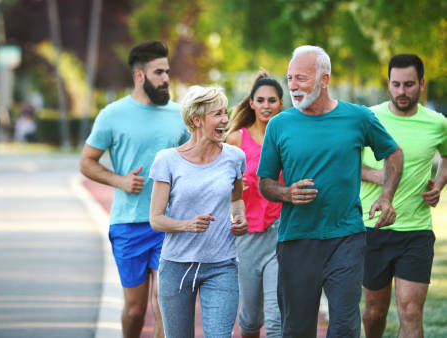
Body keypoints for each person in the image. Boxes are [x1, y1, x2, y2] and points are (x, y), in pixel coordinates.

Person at [256, 45, 404, 338]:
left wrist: (386, 196)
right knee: (296, 329)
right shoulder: (278, 125)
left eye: (301, 78)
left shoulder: (357, 117)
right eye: (289, 79)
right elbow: (266, 183)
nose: (293, 86)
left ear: (324, 79)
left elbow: (394, 153)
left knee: (345, 328)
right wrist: (286, 193)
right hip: (296, 239)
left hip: (346, 237)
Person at [79, 41, 189, 338]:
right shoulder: (112, 115)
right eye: (158, 72)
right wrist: (120, 180)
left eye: (167, 71)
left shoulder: (179, 115)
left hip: (168, 224)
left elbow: (196, 157)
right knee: (135, 310)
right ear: (139, 76)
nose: (166, 78)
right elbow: (87, 162)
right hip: (128, 224)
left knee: (164, 305)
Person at [149, 85, 248, 337]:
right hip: (176, 266)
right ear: (197, 120)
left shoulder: (234, 157)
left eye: (226, 113)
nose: (225, 120)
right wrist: (187, 225)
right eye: (217, 114)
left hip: (222, 265)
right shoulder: (167, 160)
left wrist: (240, 218)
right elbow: (156, 219)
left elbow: (237, 200)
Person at [360, 54, 447, 338]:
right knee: (374, 313)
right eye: (395, 84)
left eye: (409, 85)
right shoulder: (368, 118)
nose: (401, 91)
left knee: (410, 311)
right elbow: (345, 162)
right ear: (388, 83)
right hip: (372, 228)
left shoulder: (437, 123)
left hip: (416, 231)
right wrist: (377, 176)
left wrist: (439, 185)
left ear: (422, 83)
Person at [225, 71, 283, 338]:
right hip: (246, 237)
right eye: (260, 100)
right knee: (249, 319)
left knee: (275, 317)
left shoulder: (286, 137)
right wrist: (233, 188)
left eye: (272, 100)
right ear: (251, 103)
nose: (266, 106)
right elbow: (220, 182)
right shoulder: (236, 139)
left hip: (279, 233)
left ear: (281, 103)